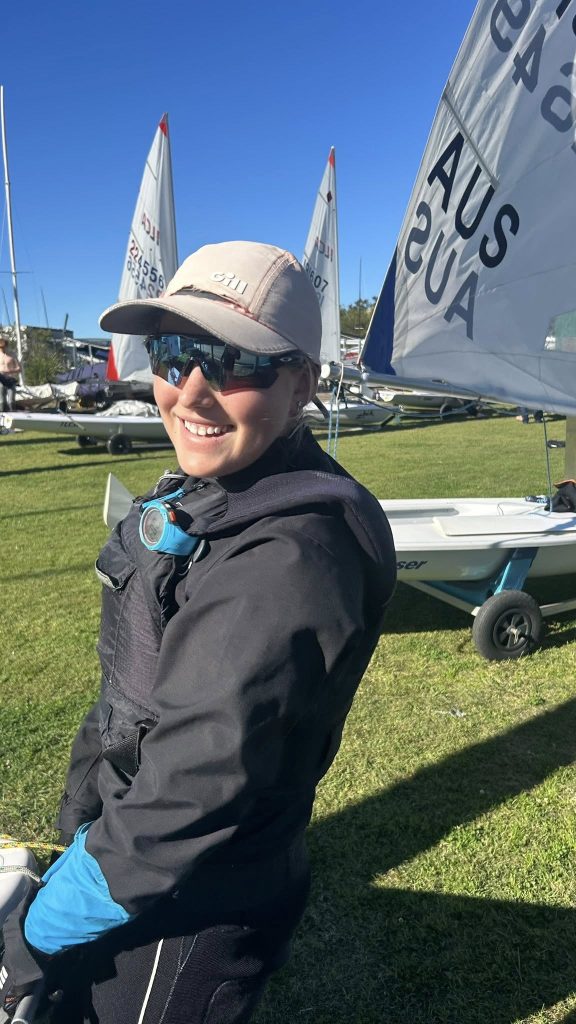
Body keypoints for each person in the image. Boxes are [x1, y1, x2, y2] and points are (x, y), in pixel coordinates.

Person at [0, 241, 396, 1023]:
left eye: (231, 361)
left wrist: (33, 935)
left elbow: (190, 790)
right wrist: (84, 824)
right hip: (128, 861)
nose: (189, 391)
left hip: (187, 901)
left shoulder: (288, 559)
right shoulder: (227, 484)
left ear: (303, 381)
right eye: (172, 354)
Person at [0, 335, 20, 413]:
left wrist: (8, 371)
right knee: (2, 400)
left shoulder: (12, 355)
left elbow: (19, 368)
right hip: (1, 379)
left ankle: (12, 414)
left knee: (11, 401)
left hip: (10, 379)